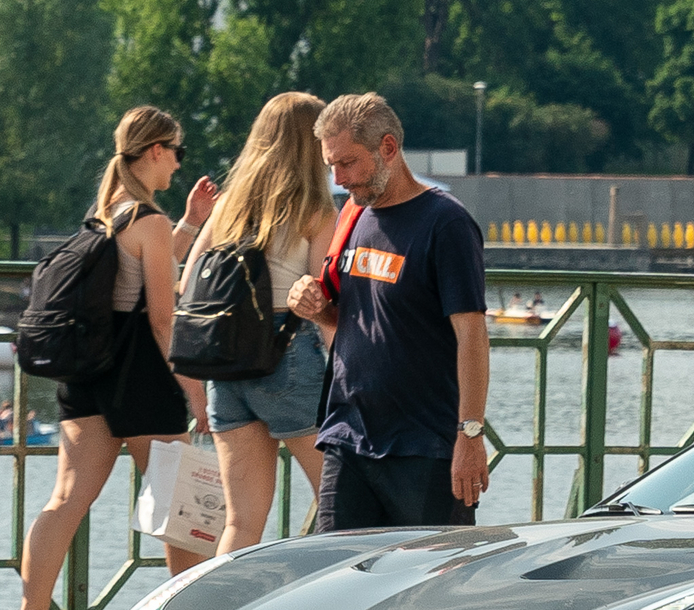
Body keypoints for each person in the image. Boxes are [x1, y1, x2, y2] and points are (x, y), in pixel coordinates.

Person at [3, 105, 218, 610]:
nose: (177, 162)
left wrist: (189, 223)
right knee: (180, 503)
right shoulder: (148, 220)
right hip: (140, 373)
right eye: (177, 151)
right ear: (154, 151)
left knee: (67, 497)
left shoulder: (105, 217)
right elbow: (162, 314)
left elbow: (145, 263)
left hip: (88, 370)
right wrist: (193, 387)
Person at [287, 93, 489, 529]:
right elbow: (350, 321)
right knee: (336, 581)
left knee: (428, 588)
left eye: (349, 163)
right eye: (332, 167)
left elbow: (472, 335)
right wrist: (316, 308)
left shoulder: (446, 223)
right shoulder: (353, 217)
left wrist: (470, 435)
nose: (340, 179)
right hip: (349, 436)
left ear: (388, 149)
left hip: (424, 445)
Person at [185, 91, 331, 554]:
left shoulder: (227, 206)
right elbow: (323, 300)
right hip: (290, 354)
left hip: (226, 366)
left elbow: (188, 283)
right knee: (338, 506)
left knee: (241, 521)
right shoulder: (316, 209)